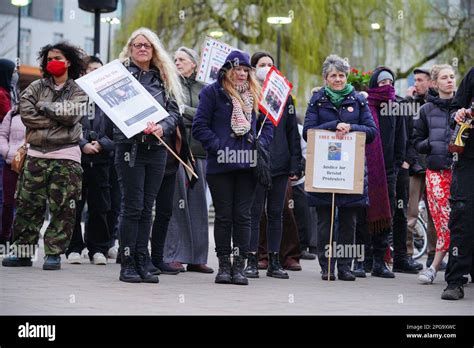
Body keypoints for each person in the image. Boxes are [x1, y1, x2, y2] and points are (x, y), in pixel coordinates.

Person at [1, 42, 87, 270]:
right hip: (36, 155)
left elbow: (71, 115)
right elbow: (26, 114)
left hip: (66, 156)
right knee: (28, 205)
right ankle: (22, 253)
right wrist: (56, 116)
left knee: (63, 208)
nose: (52, 63)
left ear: (68, 61)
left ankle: (53, 254)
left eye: (57, 58)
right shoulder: (36, 86)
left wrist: (44, 107)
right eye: (48, 59)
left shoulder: (79, 90)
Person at [192, 50, 273, 285]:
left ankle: (239, 266)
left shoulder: (255, 94)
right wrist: (219, 146)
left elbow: (268, 126)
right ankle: (224, 266)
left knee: (243, 216)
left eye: (246, 70)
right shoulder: (212, 93)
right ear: (227, 70)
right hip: (221, 164)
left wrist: (261, 145)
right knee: (224, 216)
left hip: (248, 163)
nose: (241, 74)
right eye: (237, 69)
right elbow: (200, 126)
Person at [114, 28, 182, 283]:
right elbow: (109, 112)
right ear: (130, 49)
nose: (142, 48)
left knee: (147, 209)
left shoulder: (163, 78)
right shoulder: (120, 76)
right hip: (129, 148)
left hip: (156, 149)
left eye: (148, 45)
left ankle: (143, 261)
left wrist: (162, 128)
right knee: (132, 207)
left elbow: (174, 114)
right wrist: (132, 123)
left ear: (154, 50)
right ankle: (128, 263)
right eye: (137, 45)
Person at [303, 54, 377, 281]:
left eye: (341, 75)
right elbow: (308, 131)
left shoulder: (358, 100)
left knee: (348, 222)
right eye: (333, 75)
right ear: (325, 78)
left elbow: (371, 131)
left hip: (350, 170)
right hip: (324, 170)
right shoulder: (317, 100)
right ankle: (326, 266)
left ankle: (345, 266)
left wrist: (350, 127)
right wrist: (333, 125)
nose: (338, 79)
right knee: (325, 222)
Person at [245, 51, 303, 279]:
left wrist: (295, 163)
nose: (266, 68)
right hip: (255, 162)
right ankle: (251, 259)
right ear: (252, 68)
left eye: (270, 64)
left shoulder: (284, 96)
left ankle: (275, 260)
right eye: (262, 64)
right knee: (254, 212)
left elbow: (292, 132)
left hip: (279, 162)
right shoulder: (247, 93)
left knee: (277, 213)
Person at [160, 46, 213, 274]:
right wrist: (184, 113)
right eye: (175, 59)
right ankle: (174, 255)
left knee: (198, 206)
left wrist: (184, 111)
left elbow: (206, 116)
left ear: (194, 63)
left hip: (199, 153)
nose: (177, 62)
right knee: (176, 204)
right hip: (176, 153)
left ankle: (197, 258)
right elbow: (169, 114)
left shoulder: (206, 89)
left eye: (182, 59)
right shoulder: (169, 85)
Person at [66, 56, 115, 266]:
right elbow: (68, 124)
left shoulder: (112, 97)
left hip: (103, 160)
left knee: (100, 206)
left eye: (100, 70)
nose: (96, 73)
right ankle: (74, 247)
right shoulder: (74, 96)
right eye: (92, 69)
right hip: (77, 158)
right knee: (75, 204)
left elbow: (119, 128)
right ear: (84, 73)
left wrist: (102, 143)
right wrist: (83, 143)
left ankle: (98, 248)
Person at [413, 64, 456, 284]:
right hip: (436, 173)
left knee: (460, 221)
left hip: (461, 173)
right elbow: (416, 142)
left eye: (452, 77)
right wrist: (431, 143)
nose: (450, 81)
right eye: (445, 78)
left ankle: (442, 267)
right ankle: (434, 266)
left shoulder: (464, 107)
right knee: (444, 222)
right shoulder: (426, 110)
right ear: (435, 83)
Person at [441, 66, 474, 300]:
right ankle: (455, 280)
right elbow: (455, 107)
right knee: (462, 216)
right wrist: (459, 113)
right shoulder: (473, 74)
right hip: (468, 158)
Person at [404, 68, 440, 271]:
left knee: (435, 213)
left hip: (433, 164)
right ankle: (408, 254)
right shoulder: (409, 104)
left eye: (420, 80)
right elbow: (407, 135)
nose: (416, 84)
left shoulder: (437, 105)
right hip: (414, 165)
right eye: (415, 80)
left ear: (431, 83)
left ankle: (434, 255)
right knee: (411, 212)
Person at [0, 58, 19, 245]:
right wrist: (6, 152)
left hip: (13, 154)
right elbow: (6, 122)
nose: (16, 75)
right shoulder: (2, 94)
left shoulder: (10, 92)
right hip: (5, 154)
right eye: (13, 71)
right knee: (6, 197)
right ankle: (4, 235)